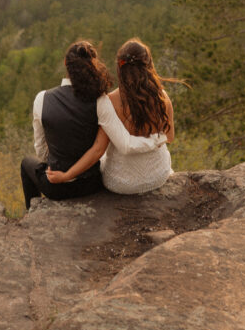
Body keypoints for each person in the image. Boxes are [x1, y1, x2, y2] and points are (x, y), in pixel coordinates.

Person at [20, 39, 166, 210]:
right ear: (92, 65)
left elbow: (41, 148)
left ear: (66, 63)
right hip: (91, 185)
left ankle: (30, 212)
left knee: (25, 163)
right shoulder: (101, 101)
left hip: (56, 187)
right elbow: (98, 149)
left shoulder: (42, 99)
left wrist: (59, 168)